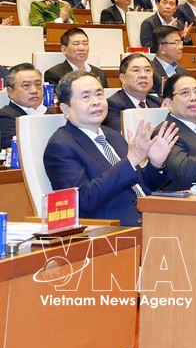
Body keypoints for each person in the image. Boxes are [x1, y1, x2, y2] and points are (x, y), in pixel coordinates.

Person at [44, 71, 177, 226]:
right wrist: (131, 160)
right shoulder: (61, 146)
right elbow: (82, 200)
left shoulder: (112, 136)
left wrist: (156, 165)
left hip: (151, 216)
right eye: (86, 96)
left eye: (99, 94)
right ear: (66, 109)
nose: (96, 102)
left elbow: (139, 185)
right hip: (113, 229)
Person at [103, 54, 163, 132]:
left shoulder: (158, 103)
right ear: (122, 78)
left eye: (147, 70)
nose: (143, 75)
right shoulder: (112, 106)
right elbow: (126, 135)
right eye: (136, 70)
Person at [0, 63, 46, 149]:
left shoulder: (49, 113)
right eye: (26, 85)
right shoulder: (5, 117)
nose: (34, 91)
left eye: (38, 85)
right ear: (10, 92)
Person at [151, 26, 188, 94]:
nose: (181, 47)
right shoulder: (150, 71)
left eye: (180, 42)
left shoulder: (182, 71)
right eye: (176, 43)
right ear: (162, 48)